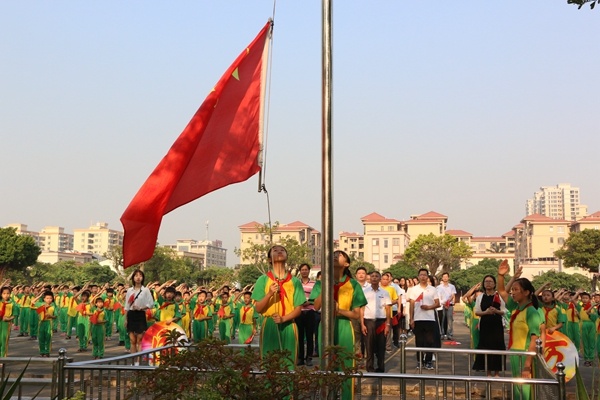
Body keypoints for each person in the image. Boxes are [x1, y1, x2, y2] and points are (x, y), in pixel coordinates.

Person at [310, 250, 367, 400]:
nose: (335, 256)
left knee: (345, 365)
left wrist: (339, 310)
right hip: (325, 325)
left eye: (340, 255)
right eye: (334, 254)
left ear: (346, 263)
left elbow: (356, 314)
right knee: (326, 363)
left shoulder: (353, 284)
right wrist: (326, 285)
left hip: (344, 326)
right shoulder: (320, 283)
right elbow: (316, 306)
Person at [252, 245, 305, 369]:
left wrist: (283, 318)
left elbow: (298, 309)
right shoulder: (263, 280)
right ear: (269, 259)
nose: (279, 252)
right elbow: (258, 308)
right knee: (269, 362)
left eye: (282, 250)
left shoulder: (295, 281)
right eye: (275, 251)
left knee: (289, 362)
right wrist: (269, 294)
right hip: (269, 324)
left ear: (287, 257)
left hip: (289, 324)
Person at [497, 260, 542, 400]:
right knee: (517, 387)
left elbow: (534, 338)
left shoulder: (531, 312)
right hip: (515, 352)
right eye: (513, 289)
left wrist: (527, 365)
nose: (513, 292)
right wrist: (501, 276)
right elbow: (502, 291)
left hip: (525, 354)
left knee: (525, 389)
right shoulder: (516, 307)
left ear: (526, 292)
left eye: (516, 290)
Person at [472, 275, 505, 376]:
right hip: (485, 325)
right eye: (486, 281)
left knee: (497, 346)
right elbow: (477, 312)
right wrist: (486, 312)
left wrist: (496, 311)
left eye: (490, 281)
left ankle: (497, 372)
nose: (488, 283)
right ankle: (488, 372)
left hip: (497, 325)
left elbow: (504, 311)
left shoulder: (499, 296)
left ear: (494, 284)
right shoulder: (480, 297)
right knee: (486, 346)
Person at [360, 271, 391, 373]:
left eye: (376, 276)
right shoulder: (365, 292)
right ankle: (369, 367)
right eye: (372, 276)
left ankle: (380, 367)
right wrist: (362, 324)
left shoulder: (384, 293)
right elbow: (362, 309)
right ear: (370, 278)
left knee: (381, 345)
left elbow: (387, 309)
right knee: (369, 345)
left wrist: (387, 324)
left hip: (381, 322)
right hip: (368, 321)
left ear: (380, 279)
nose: (374, 278)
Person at [409, 268, 440, 370]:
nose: (423, 277)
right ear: (418, 277)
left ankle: (428, 361)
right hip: (418, 319)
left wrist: (429, 307)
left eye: (425, 275)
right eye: (421, 275)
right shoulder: (414, 289)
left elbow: (437, 304)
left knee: (430, 341)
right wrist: (411, 319)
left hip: (430, 319)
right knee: (419, 341)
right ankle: (420, 361)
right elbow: (412, 305)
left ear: (427, 277)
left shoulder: (433, 289)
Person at [124, 269, 156, 360]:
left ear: (143, 278)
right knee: (132, 340)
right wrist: (125, 319)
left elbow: (151, 304)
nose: (138, 277)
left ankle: (138, 361)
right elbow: (127, 306)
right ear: (133, 278)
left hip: (140, 315)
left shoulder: (145, 290)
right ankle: (133, 360)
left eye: (140, 275)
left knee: (139, 339)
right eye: (136, 275)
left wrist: (141, 308)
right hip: (131, 315)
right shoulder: (129, 290)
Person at [295, 263, 316, 366]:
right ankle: (300, 357)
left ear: (309, 271)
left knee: (309, 336)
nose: (304, 271)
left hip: (310, 312)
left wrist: (309, 302)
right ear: (300, 271)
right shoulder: (296, 283)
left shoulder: (314, 284)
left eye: (306, 269)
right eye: (302, 270)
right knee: (299, 335)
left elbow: (316, 297)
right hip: (299, 312)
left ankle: (309, 357)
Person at [34, 290, 56, 357]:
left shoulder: (53, 306)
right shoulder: (41, 304)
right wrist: (39, 296)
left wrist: (50, 316)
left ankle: (47, 351)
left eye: (50, 298)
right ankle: (42, 351)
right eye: (47, 298)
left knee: (48, 337)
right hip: (41, 322)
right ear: (44, 299)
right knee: (41, 337)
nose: (49, 300)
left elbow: (55, 316)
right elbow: (33, 302)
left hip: (48, 323)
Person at [436, 272, 457, 340]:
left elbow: (453, 295)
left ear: (448, 278)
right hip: (441, 306)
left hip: (449, 305)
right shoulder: (438, 287)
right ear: (442, 278)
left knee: (450, 320)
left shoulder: (452, 286)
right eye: (444, 277)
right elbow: (438, 297)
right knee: (442, 319)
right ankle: (441, 334)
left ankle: (449, 334)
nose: (445, 278)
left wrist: (447, 303)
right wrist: (444, 303)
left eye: (446, 277)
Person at [0, 286, 15, 357]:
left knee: (4, 340)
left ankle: (3, 357)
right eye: (4, 293)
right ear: (1, 294)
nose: (6, 295)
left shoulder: (12, 303)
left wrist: (8, 319)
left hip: (6, 323)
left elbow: (15, 315)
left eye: (8, 293)